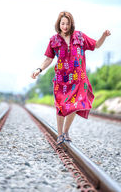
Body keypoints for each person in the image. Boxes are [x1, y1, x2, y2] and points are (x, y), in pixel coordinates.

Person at [31, 11, 111, 145]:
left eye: (67, 23)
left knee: (76, 105)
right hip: (61, 80)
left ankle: (66, 132)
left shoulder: (80, 36)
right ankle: (59, 134)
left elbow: (96, 45)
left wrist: (104, 36)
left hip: (78, 79)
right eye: (63, 23)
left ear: (71, 24)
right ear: (59, 24)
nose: (65, 26)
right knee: (61, 106)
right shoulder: (54, 40)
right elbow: (48, 59)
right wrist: (39, 69)